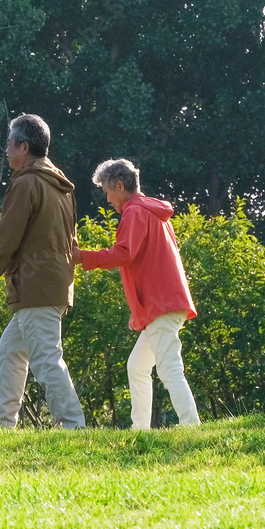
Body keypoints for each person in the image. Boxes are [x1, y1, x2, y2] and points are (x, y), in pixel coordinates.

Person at [0, 114, 86, 429]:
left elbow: (6, 240)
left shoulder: (26, 183)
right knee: (11, 352)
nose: (6, 149)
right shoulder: (60, 185)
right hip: (53, 283)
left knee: (46, 361)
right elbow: (71, 240)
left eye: (9, 143)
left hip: (35, 286)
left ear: (23, 147)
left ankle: (73, 426)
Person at [73, 158, 200, 430]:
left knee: (168, 368)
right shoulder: (154, 211)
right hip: (168, 300)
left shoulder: (134, 212)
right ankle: (140, 429)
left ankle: (191, 426)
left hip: (159, 302)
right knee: (137, 366)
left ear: (120, 186)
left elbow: (124, 253)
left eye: (107, 192)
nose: (107, 199)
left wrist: (81, 257)